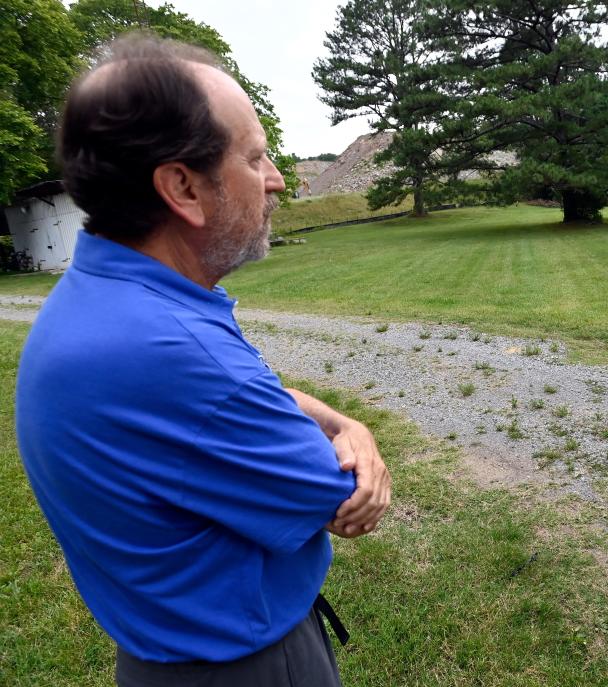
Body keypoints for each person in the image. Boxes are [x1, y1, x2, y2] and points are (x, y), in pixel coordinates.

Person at [15, 35, 391, 687]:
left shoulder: (103, 296)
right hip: (244, 666)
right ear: (183, 187)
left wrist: (344, 426)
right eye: (255, 157)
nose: (276, 180)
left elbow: (266, 397)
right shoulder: (171, 351)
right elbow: (339, 496)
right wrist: (353, 435)